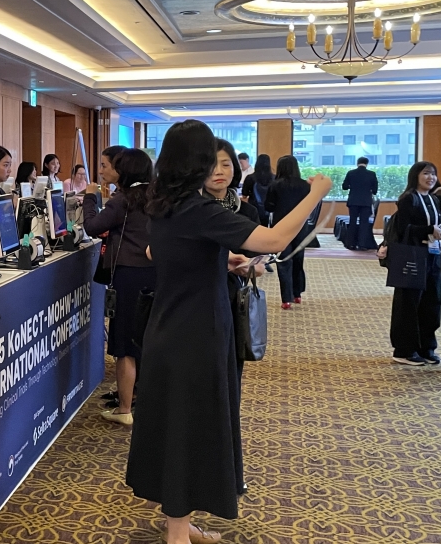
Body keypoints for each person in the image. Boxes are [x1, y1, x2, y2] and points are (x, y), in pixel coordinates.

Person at [127, 120, 331, 544]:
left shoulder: (165, 204)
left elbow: (160, 251)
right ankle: (177, 534)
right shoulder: (199, 209)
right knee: (190, 428)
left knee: (179, 427)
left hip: (172, 327)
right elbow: (274, 240)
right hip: (195, 333)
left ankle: (179, 524)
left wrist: (220, 260)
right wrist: (315, 193)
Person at [205, 139, 264, 496]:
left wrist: (252, 265)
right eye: (212, 164)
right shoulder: (190, 210)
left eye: (226, 164)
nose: (219, 171)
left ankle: (226, 470)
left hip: (231, 299)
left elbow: (260, 255)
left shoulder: (247, 211)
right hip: (197, 303)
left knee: (229, 386)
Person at [82, 149, 153, 427]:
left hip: (129, 276)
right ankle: (144, 398)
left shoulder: (123, 200)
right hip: (156, 273)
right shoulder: (158, 197)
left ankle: (124, 408)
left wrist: (90, 197)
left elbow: (92, 226)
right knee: (146, 338)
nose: (106, 171)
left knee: (125, 344)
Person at [385, 162, 441, 365]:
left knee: (432, 303)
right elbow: (404, 228)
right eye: (426, 173)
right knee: (409, 304)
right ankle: (404, 350)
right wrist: (429, 229)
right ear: (415, 176)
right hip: (413, 255)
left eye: (433, 174)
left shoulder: (434, 199)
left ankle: (426, 347)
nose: (430, 178)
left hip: (433, 256)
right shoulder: (409, 199)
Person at [265, 156, 311, 310]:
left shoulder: (275, 185)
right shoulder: (305, 186)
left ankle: (286, 299)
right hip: (301, 226)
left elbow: (269, 207)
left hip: (281, 227)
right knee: (298, 259)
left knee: (283, 261)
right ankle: (297, 294)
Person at [342, 157, 380, 250]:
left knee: (352, 222)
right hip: (366, 202)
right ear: (367, 164)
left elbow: (344, 186)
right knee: (364, 223)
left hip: (353, 201)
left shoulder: (351, 173)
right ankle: (362, 245)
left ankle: (351, 244)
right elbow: (375, 190)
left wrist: (352, 186)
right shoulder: (371, 174)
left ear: (357, 163)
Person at [241, 154, 274, 226]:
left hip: (253, 209)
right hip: (269, 210)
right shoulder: (274, 178)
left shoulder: (250, 178)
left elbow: (244, 195)